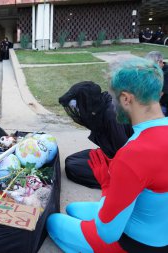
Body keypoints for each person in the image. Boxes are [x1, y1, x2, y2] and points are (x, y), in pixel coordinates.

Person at [47, 58, 168, 252]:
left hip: (134, 244)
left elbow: (107, 233)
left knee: (53, 221)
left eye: (114, 98)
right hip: (155, 227)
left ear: (126, 99)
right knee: (73, 209)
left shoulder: (133, 153)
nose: (112, 103)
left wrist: (107, 186)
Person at [59, 81, 133, 188]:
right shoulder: (101, 107)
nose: (78, 110)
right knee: (71, 160)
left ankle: (118, 181)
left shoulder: (111, 115)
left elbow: (125, 152)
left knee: (73, 167)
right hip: (111, 154)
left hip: (124, 164)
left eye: (78, 106)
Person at [145, 51, 168, 116]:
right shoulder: (155, 71)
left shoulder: (165, 74)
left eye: (152, 64)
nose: (150, 66)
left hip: (163, 104)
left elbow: (158, 95)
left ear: (160, 62)